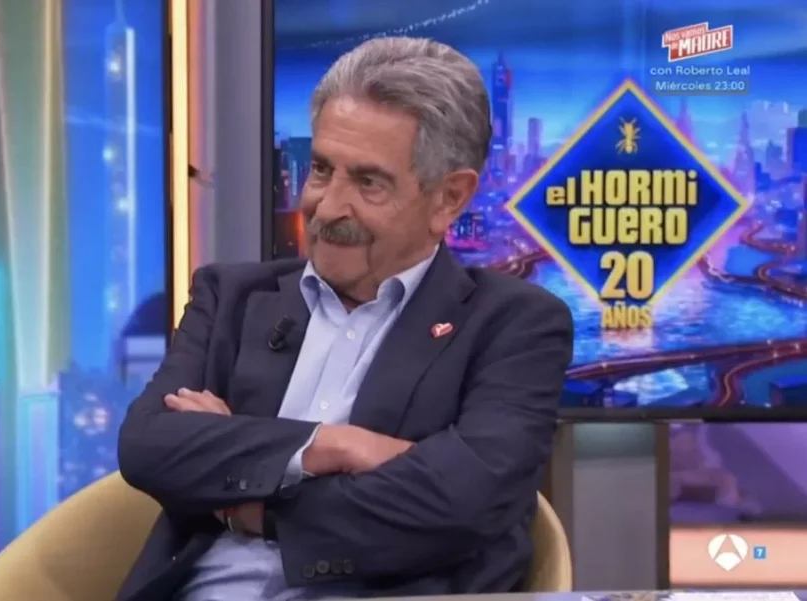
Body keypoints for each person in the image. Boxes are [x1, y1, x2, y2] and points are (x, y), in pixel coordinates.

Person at [115, 37, 573, 601]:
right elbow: (149, 445)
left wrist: (249, 506)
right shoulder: (231, 295)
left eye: (368, 182)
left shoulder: (515, 324)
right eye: (321, 170)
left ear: (449, 199)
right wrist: (331, 446)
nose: (327, 207)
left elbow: (466, 500)